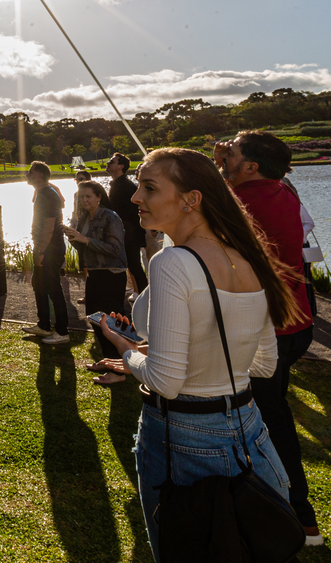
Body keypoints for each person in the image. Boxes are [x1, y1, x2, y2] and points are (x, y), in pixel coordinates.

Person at [97, 148, 303, 561]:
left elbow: (166, 382)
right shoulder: (247, 255)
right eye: (138, 185)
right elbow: (262, 363)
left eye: (149, 187)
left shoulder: (172, 262)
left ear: (191, 198)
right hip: (250, 433)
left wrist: (126, 349)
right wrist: (160, 351)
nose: (136, 197)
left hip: (184, 437)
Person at [213, 131, 321, 545]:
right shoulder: (284, 192)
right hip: (297, 326)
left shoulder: (244, 202)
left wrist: (220, 171)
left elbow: (203, 212)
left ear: (251, 167)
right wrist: (227, 168)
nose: (225, 152)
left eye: (233, 151)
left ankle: (298, 515)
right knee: (271, 411)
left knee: (266, 420)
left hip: (267, 335)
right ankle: (288, 509)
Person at [63, 181, 128, 385]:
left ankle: (118, 370)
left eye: (88, 197)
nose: (83, 201)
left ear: (99, 196)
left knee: (110, 322)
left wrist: (85, 239)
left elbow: (115, 250)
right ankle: (108, 360)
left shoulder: (110, 217)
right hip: (95, 273)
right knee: (94, 317)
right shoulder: (85, 217)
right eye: (81, 197)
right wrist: (74, 237)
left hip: (111, 274)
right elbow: (84, 246)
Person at [21, 161, 70, 345]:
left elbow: (49, 227)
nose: (27, 175)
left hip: (51, 249)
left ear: (39, 176)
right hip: (45, 248)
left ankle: (62, 331)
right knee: (39, 284)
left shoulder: (48, 194)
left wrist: (41, 250)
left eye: (30, 172)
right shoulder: (43, 193)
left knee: (53, 288)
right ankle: (44, 325)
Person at [106, 153, 147, 293]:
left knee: (134, 266)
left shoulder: (125, 186)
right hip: (123, 233)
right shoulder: (118, 184)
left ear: (120, 166)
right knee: (131, 266)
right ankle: (141, 294)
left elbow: (134, 211)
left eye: (112, 161)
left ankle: (144, 295)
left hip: (129, 234)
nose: (108, 163)